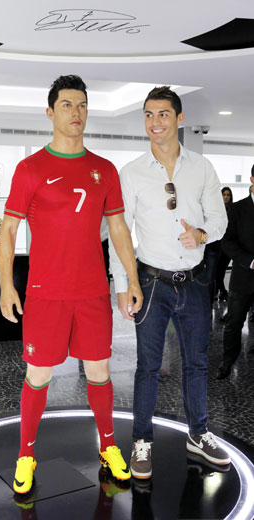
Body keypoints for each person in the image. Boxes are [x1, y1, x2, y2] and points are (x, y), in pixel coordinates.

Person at [0, 75, 143, 494]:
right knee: (38, 374)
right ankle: (26, 454)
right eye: (66, 105)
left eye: (81, 105)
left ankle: (109, 447)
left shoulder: (104, 169)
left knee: (99, 370)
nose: (75, 112)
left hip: (92, 291)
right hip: (45, 293)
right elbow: (8, 231)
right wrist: (7, 285)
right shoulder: (30, 169)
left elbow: (118, 228)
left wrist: (130, 278)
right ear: (50, 112)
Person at [110, 85, 230, 479]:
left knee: (196, 364)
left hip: (195, 283)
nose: (154, 122)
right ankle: (141, 441)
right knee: (147, 367)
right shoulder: (131, 173)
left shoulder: (202, 168)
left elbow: (219, 219)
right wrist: (124, 284)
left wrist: (201, 234)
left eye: (162, 114)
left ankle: (198, 433)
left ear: (179, 119)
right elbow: (119, 231)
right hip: (151, 281)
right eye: (148, 114)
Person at [217, 173, 254, 379]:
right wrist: (250, 261)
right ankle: (228, 360)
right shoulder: (237, 209)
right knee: (234, 323)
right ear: (252, 179)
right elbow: (227, 242)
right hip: (243, 277)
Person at [215, 186, 233, 302]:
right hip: (216, 246)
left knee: (220, 271)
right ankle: (220, 291)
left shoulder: (233, 209)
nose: (226, 197)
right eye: (224, 194)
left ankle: (222, 291)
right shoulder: (216, 210)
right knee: (217, 271)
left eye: (228, 195)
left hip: (227, 246)